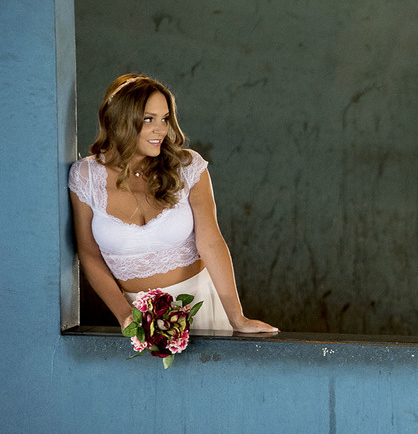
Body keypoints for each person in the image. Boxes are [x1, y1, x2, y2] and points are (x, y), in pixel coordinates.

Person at [68, 74, 277, 334]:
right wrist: (126, 317)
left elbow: (211, 241)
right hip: (140, 322)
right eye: (149, 119)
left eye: (165, 118)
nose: (161, 129)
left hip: (202, 308)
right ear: (120, 120)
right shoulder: (85, 177)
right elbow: (89, 254)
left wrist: (237, 318)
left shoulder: (188, 167)